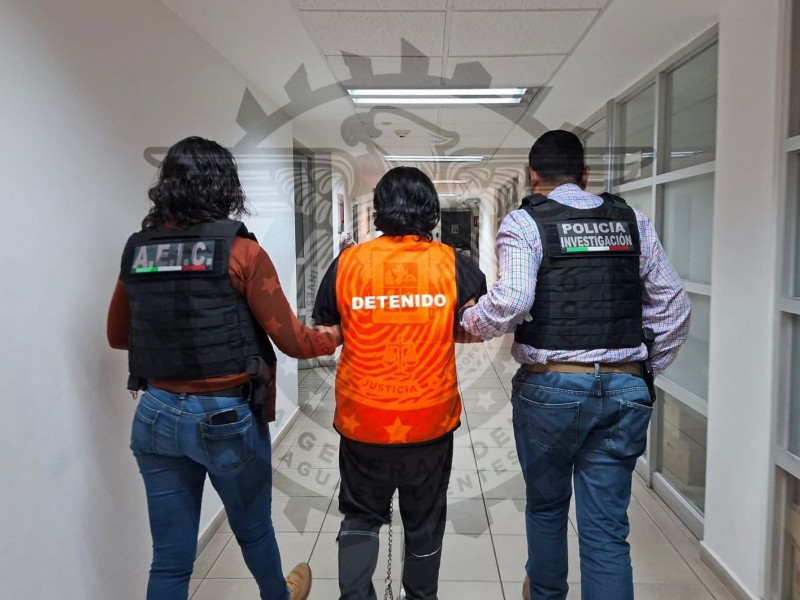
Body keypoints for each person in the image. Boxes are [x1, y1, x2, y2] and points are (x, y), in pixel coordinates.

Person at [461, 130, 690, 600]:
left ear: (533, 176)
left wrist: (467, 321)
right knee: (606, 529)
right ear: (585, 175)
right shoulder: (632, 221)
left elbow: (513, 301)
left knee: (547, 509)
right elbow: (675, 308)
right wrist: (642, 369)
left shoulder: (526, 222)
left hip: (550, 390)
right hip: (625, 391)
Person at [107, 136, 339, 600]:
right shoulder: (241, 252)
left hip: (155, 414)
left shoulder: (139, 250)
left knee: (170, 560)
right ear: (224, 187)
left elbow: (118, 335)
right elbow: (293, 342)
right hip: (224, 419)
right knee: (253, 531)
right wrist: (335, 334)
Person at [312, 166, 486, 600]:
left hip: (363, 420)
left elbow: (328, 332)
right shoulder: (450, 262)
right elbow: (473, 325)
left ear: (380, 209)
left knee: (360, 516)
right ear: (430, 210)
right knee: (424, 521)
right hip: (429, 422)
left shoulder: (348, 262)